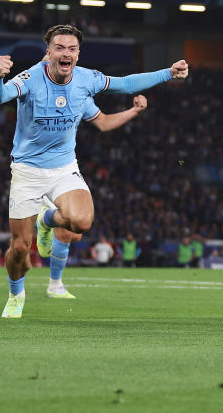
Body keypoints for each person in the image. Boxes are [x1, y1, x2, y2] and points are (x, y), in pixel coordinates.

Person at [0, 23, 188, 318]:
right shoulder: (30, 79)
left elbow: (127, 84)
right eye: (59, 48)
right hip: (28, 170)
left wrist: (168, 73)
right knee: (19, 250)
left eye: (71, 49)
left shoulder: (86, 81)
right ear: (49, 53)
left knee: (80, 222)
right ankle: (16, 294)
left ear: (78, 54)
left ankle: (46, 221)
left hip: (64, 167)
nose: (65, 53)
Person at [37, 94, 149, 299]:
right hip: (34, 169)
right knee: (21, 243)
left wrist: (135, 111)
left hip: (65, 169)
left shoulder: (77, 92)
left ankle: (54, 283)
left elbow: (105, 120)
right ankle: (17, 294)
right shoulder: (35, 88)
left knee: (74, 232)